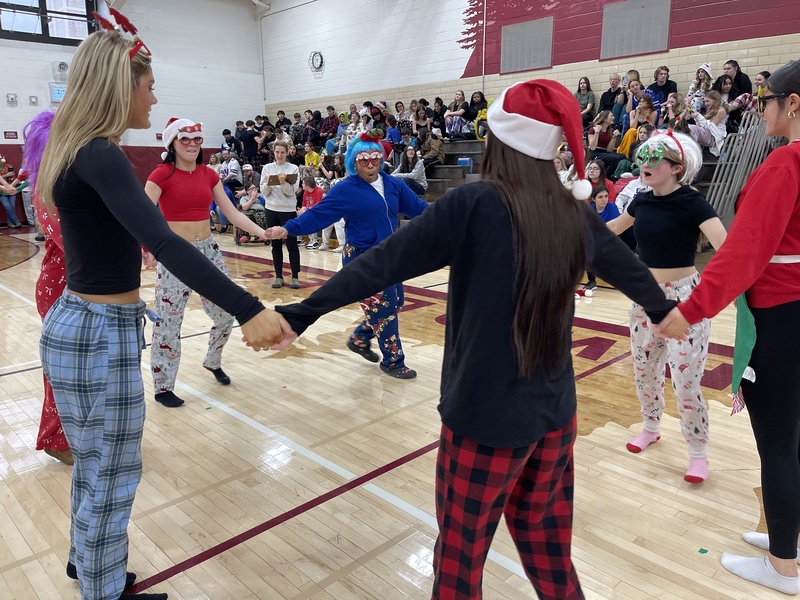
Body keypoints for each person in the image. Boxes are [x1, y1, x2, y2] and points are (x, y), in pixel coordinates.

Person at [270, 79, 681, 600]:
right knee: (549, 550)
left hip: (485, 416)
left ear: (500, 138)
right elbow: (629, 267)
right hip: (556, 413)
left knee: (460, 559)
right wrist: (664, 310)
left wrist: (302, 312)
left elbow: (383, 262)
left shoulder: (474, 203)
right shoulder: (568, 209)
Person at [34, 11, 289, 600]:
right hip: (100, 331)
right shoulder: (100, 154)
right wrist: (249, 307)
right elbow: (167, 242)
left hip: (81, 322)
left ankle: (86, 562)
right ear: (121, 87)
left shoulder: (81, 151)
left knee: (96, 465)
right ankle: (104, 588)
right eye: (149, 85)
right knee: (113, 470)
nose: (155, 97)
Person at [657, 59, 800, 596]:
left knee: (779, 447)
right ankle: (790, 536)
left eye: (765, 99)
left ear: (793, 104)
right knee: (793, 439)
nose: (758, 108)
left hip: (780, 321)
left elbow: (742, 253)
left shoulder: (786, 163)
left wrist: (688, 312)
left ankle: (784, 568)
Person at [606, 130, 727, 484]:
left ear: (676, 168)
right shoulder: (641, 201)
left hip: (686, 298)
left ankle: (698, 452)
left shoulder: (693, 202)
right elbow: (612, 228)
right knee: (644, 370)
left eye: (653, 159)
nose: (644, 164)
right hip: (645, 296)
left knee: (686, 381)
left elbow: (727, 247)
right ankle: (651, 426)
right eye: (642, 157)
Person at [266, 129, 429, 379]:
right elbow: (317, 215)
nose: (371, 164)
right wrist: (287, 229)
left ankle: (360, 338)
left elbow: (419, 209)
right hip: (363, 258)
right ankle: (393, 361)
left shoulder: (393, 183)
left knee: (395, 302)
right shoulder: (345, 190)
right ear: (355, 160)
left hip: (391, 255)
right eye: (364, 159)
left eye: (376, 158)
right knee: (384, 309)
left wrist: (451, 214)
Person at [144, 118, 270, 408]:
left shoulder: (208, 174)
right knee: (169, 322)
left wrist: (262, 232)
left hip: (209, 250)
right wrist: (147, 247)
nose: (191, 144)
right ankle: (163, 387)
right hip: (174, 254)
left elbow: (233, 213)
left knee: (226, 314)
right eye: (185, 139)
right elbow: (141, 215)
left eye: (197, 139)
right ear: (172, 143)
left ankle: (212, 361)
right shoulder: (160, 175)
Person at [20, 111, 73, 465]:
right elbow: (74, 242)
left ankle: (77, 434)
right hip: (60, 285)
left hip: (79, 282)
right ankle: (56, 437)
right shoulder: (47, 189)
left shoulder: (66, 183)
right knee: (61, 368)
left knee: (82, 367)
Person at [260, 140, 302, 289]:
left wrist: (283, 182)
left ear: (287, 153)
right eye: (277, 152)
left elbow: (291, 192)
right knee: (275, 244)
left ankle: (295, 276)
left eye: (282, 152)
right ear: (273, 152)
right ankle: (278, 276)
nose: (279, 155)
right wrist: (270, 182)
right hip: (271, 208)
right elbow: (264, 192)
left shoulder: (293, 168)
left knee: (292, 244)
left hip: (288, 210)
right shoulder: (267, 168)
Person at [584, 184, 620, 291]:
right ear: (593, 199)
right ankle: (591, 281)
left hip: (610, 241)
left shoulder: (612, 207)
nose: (604, 199)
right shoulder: (589, 209)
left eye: (606, 196)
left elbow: (615, 230)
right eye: (600, 197)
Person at [300, 175, 324, 249]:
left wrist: (305, 211)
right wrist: (301, 210)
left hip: (319, 213)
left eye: (303, 183)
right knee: (298, 216)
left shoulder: (319, 191)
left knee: (309, 217)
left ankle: (315, 241)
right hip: (309, 211)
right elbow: (304, 205)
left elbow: (317, 207)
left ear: (307, 185)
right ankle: (300, 239)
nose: (302, 185)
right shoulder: (305, 192)